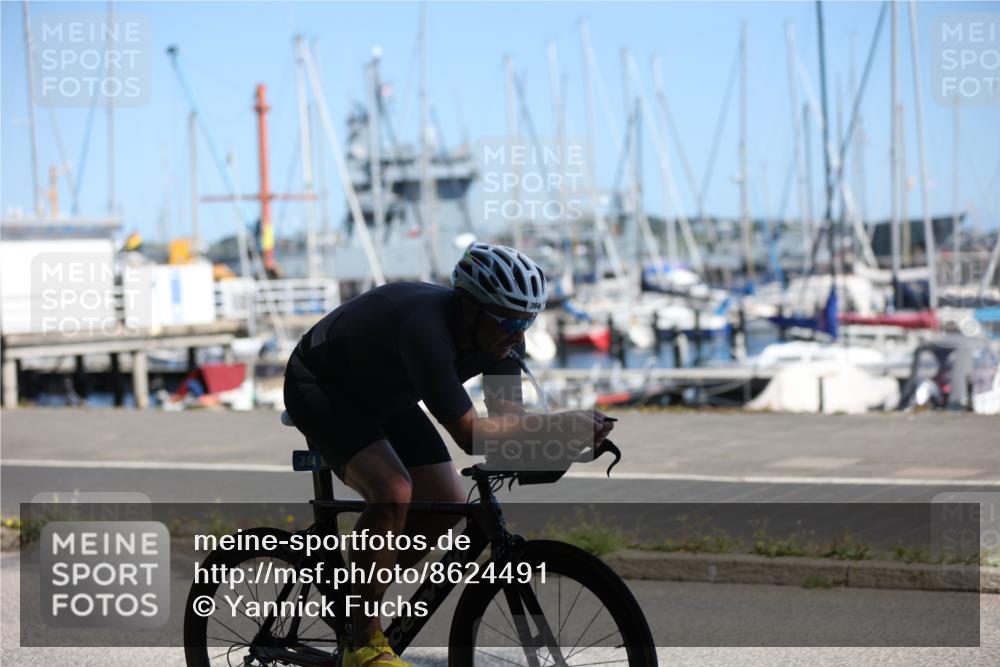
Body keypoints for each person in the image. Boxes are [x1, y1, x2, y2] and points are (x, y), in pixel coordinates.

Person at [283, 242, 614, 667]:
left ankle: (357, 592)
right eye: (509, 320)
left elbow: (506, 421)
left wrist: (563, 440)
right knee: (393, 490)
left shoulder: (504, 343)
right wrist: (562, 423)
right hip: (322, 385)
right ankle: (362, 642)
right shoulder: (426, 329)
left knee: (448, 503)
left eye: (527, 320)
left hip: (386, 394)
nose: (518, 333)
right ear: (470, 308)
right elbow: (472, 435)